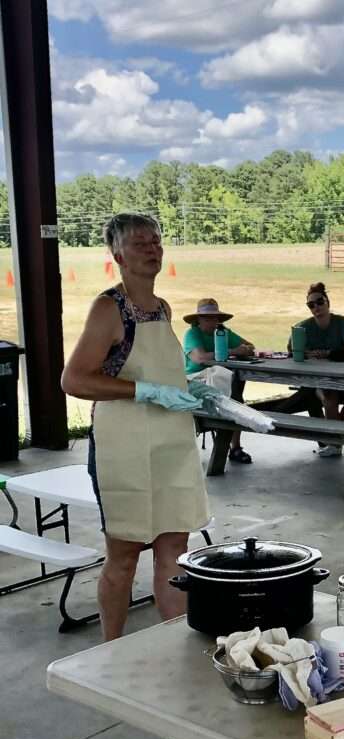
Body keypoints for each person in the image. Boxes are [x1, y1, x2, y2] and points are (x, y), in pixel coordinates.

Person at [61, 212, 210, 641]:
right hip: (122, 449)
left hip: (171, 444)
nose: (152, 249)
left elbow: (164, 370)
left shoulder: (161, 309)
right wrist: (144, 391)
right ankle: (110, 647)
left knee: (174, 550)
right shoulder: (110, 308)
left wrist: (193, 389)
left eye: (156, 241)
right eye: (140, 242)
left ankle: (175, 642)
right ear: (118, 254)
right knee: (124, 555)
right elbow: (74, 379)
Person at [288, 282, 344, 457]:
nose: (316, 307)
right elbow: (293, 351)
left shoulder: (342, 322)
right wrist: (308, 353)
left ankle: (334, 434)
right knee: (330, 396)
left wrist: (326, 353)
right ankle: (335, 441)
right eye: (311, 305)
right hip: (318, 380)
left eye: (319, 302)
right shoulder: (302, 327)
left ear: (328, 302)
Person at [182, 298, 255, 464]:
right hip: (195, 382)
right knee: (233, 396)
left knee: (235, 395)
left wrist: (244, 350)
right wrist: (232, 351)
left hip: (221, 380)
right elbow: (199, 358)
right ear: (198, 319)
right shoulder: (192, 334)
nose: (211, 321)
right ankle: (231, 443)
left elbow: (250, 345)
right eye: (207, 318)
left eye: (214, 317)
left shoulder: (223, 332)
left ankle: (235, 447)